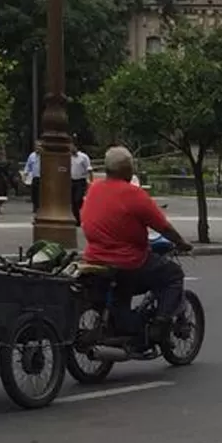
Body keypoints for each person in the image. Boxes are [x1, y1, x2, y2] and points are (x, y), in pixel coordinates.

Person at [81, 147, 193, 346]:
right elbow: (163, 226)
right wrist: (181, 243)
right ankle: (160, 324)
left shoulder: (94, 188)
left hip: (95, 258)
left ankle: (126, 325)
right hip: (127, 260)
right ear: (128, 170)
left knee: (122, 291)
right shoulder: (134, 194)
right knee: (173, 275)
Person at [70, 140, 92, 225]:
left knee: (78, 199)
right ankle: (77, 220)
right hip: (72, 180)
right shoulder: (68, 157)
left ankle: (84, 208)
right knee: (72, 201)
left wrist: (90, 181)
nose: (71, 148)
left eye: (72, 146)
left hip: (80, 181)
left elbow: (89, 169)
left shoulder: (83, 157)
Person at [24, 147, 41, 212]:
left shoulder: (44, 155)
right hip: (35, 177)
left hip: (43, 177)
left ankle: (39, 207)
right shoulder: (32, 155)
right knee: (34, 193)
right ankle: (35, 206)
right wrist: (25, 173)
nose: (38, 149)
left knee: (40, 193)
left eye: (39, 147)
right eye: (37, 147)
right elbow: (28, 165)